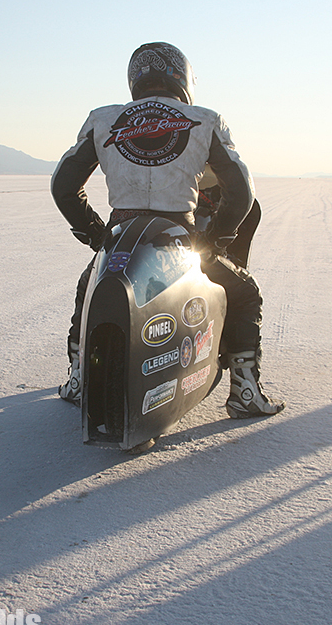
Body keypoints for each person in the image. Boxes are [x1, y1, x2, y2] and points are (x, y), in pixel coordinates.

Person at [51, 42, 284, 419]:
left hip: (122, 234)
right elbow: (242, 192)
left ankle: (78, 379)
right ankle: (244, 391)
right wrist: (213, 241)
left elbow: (63, 185)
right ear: (182, 76)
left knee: (89, 288)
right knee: (244, 292)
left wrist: (96, 235)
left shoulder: (103, 118)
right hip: (178, 238)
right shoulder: (205, 120)